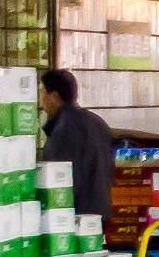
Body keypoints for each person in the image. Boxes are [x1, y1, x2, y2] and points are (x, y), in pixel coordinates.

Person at [38, 68, 116, 221]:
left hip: (75, 220)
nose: (41, 100)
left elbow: (62, 179)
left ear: (54, 96)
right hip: (100, 214)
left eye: (42, 93)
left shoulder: (63, 131)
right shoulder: (98, 122)